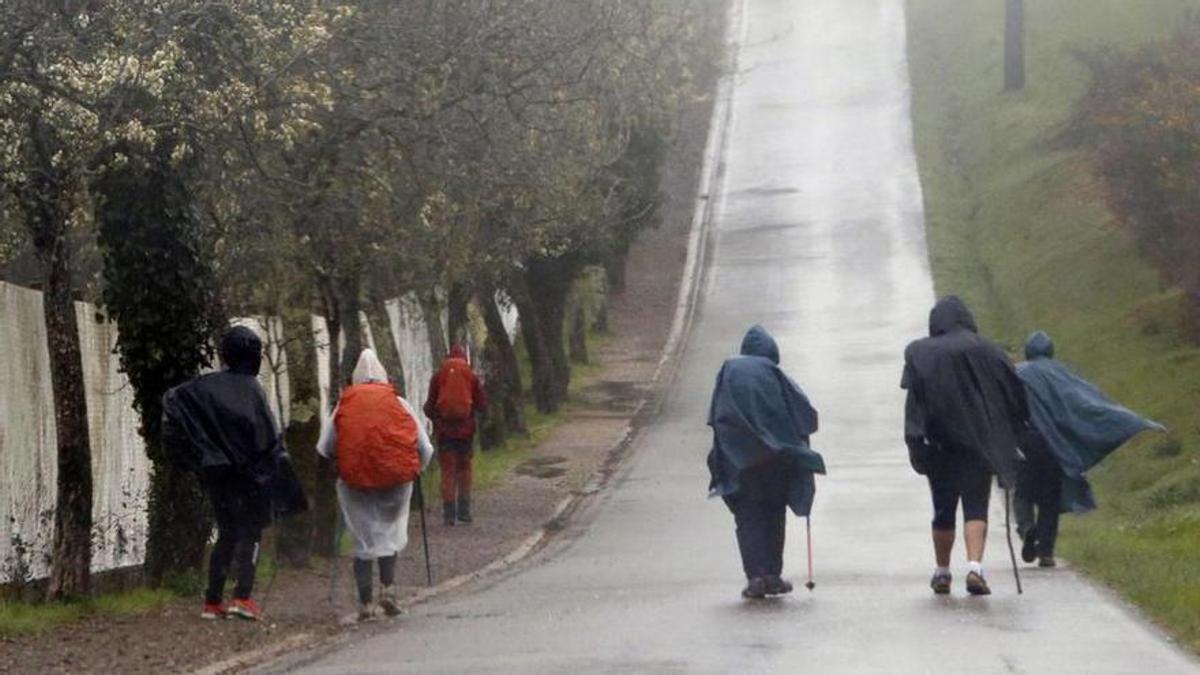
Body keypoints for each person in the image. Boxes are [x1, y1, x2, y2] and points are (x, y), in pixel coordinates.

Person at [902, 296, 1029, 596]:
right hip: (979, 445)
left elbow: (914, 404)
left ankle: (942, 571)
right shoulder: (990, 351)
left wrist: (915, 442)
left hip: (939, 445)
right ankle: (974, 567)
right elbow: (1014, 393)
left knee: (943, 509)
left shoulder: (920, 353)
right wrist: (1013, 432)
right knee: (976, 507)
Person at [162, 326, 287, 621]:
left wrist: (190, 458)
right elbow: (266, 433)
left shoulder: (203, 387)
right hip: (247, 472)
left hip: (214, 471)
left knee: (227, 532)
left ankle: (212, 601)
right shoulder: (252, 389)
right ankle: (242, 597)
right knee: (252, 531)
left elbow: (174, 410)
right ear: (253, 357)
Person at [1015, 330, 1164, 567]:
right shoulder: (1062, 374)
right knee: (1049, 499)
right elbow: (1087, 403)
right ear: (1050, 351)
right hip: (1054, 445)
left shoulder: (1018, 373)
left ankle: (1026, 528)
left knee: (1023, 491)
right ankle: (1046, 552)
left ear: (1028, 351)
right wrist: (1136, 421)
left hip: (1025, 442)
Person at [707, 325, 826, 599]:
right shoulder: (775, 373)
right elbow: (804, 415)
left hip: (739, 459)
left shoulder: (727, 373)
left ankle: (755, 578)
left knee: (747, 516)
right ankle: (773, 575)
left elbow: (715, 416)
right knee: (774, 512)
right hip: (776, 458)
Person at [318, 349, 433, 621]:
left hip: (355, 484)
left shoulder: (344, 406)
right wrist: (415, 471)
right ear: (383, 375)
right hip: (395, 483)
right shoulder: (398, 403)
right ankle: (388, 591)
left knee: (363, 539)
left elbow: (324, 448)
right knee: (389, 535)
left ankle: (365, 604)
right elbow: (425, 448)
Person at [424, 344, 488, 526]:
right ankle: (465, 511)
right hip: (466, 431)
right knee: (465, 469)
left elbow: (429, 406)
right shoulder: (471, 376)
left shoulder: (438, 376)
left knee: (447, 471)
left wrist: (435, 417)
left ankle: (449, 514)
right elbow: (482, 404)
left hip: (445, 432)